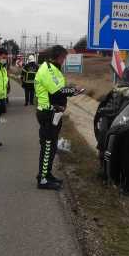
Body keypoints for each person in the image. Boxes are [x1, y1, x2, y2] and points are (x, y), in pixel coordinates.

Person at [34, 45, 82, 190]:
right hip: (48, 113)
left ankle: (46, 174)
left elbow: (58, 88)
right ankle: (42, 180)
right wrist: (74, 90)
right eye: (64, 58)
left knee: (52, 145)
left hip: (53, 113)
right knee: (48, 146)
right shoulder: (48, 69)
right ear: (60, 57)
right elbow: (57, 92)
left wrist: (70, 90)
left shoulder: (52, 68)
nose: (65, 61)